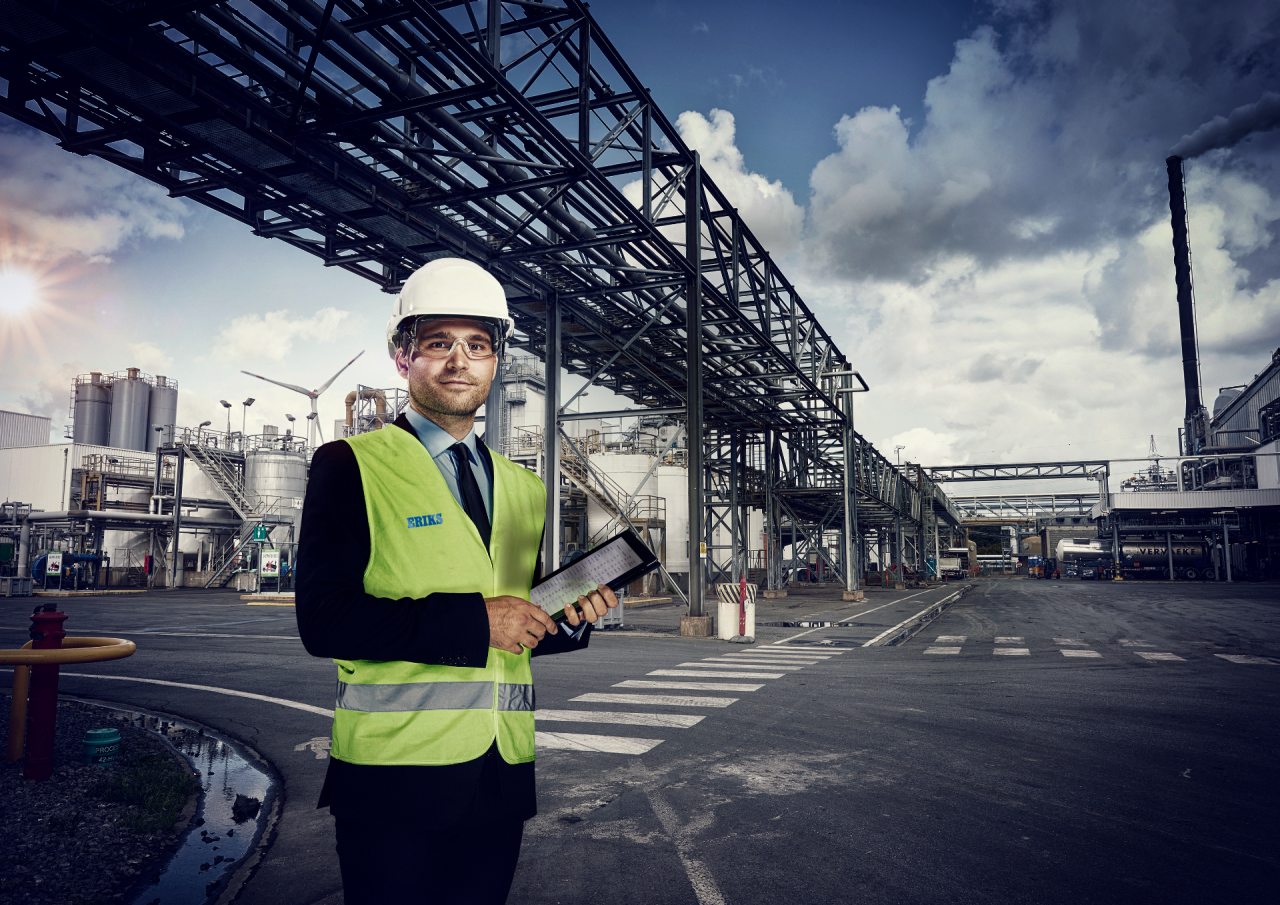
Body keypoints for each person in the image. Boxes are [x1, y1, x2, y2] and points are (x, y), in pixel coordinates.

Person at [295, 257, 617, 905]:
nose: (458, 361)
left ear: (497, 362)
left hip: (501, 780)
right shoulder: (349, 465)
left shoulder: (525, 489)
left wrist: (571, 613)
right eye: (438, 343)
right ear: (402, 358)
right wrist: (478, 620)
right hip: (393, 782)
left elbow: (516, 623)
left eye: (477, 345)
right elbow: (324, 618)